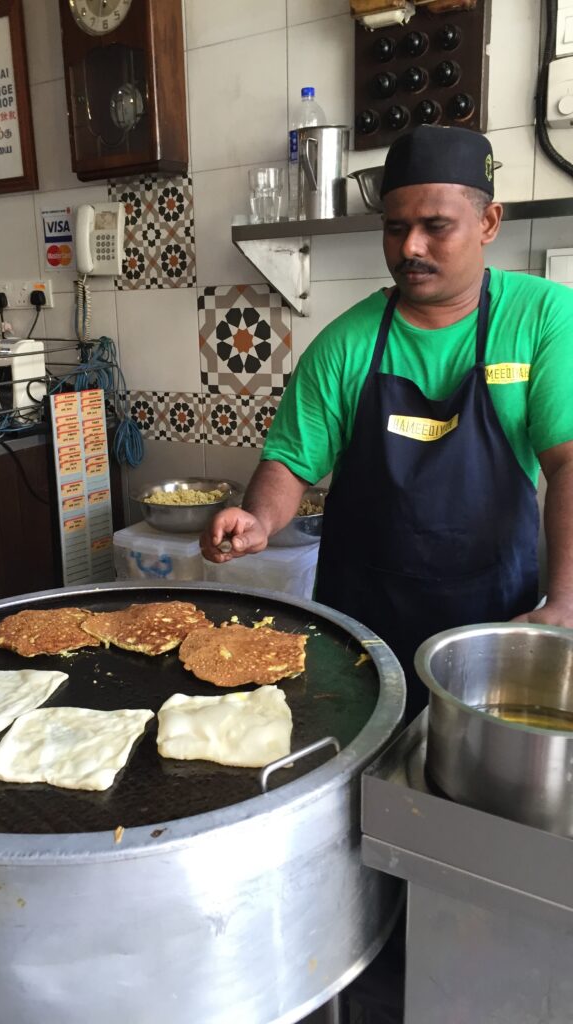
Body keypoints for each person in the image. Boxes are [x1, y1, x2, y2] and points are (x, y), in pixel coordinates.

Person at [201, 124, 573, 720]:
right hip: (361, 627)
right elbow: (291, 462)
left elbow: (568, 460)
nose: (411, 248)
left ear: (489, 223)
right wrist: (258, 519)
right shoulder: (345, 342)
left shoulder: (543, 316)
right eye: (395, 228)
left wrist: (566, 603)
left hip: (493, 624)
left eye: (435, 227)